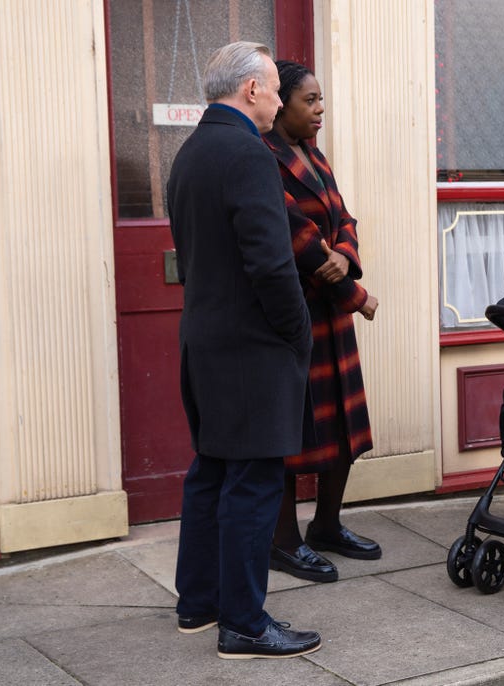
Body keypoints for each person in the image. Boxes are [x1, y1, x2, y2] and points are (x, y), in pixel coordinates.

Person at [166, 41, 321, 659]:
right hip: (253, 348)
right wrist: (297, 332)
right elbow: (270, 264)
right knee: (253, 483)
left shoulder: (190, 154)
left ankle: (198, 606)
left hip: (202, 341)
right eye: (275, 88)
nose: (282, 99)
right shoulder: (249, 156)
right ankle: (245, 625)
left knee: (211, 472)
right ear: (251, 90)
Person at [261, 60, 380, 584]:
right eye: (310, 101)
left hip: (331, 312)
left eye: (321, 99)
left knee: (344, 428)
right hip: (298, 313)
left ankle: (327, 526)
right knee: (294, 431)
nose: (320, 110)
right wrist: (355, 292)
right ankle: (283, 542)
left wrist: (347, 258)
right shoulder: (263, 157)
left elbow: (343, 220)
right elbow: (297, 235)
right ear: (280, 103)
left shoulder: (315, 154)